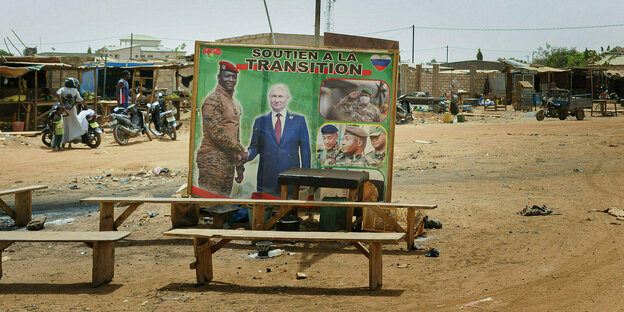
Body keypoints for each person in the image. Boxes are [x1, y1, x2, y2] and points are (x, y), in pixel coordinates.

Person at [246, 84, 311, 197]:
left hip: (290, 179)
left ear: (287, 98)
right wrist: (246, 155)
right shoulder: (260, 121)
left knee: (289, 213)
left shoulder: (299, 121)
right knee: (264, 213)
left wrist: (304, 177)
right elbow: (255, 147)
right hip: (266, 180)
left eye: (280, 96)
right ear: (269, 98)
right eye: (273, 96)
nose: (276, 100)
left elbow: (305, 151)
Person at [196, 61, 247, 197]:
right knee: (210, 203)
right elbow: (216, 133)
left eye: (233, 77)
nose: (231, 80)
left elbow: (234, 136)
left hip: (227, 162)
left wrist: (239, 166)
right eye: (227, 76)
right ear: (219, 77)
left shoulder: (234, 103)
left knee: (223, 206)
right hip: (212, 159)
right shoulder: (213, 100)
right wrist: (241, 149)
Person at [57, 78, 87, 147]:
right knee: (72, 125)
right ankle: (70, 144)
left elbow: (58, 94)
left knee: (63, 126)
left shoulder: (63, 89)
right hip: (72, 110)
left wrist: (62, 104)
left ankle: (63, 143)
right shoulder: (75, 91)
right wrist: (73, 102)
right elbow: (80, 100)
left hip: (63, 110)